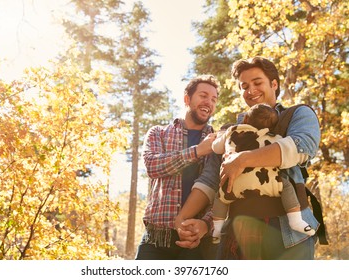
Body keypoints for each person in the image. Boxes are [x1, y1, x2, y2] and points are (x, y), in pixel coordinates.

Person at [175, 56, 321, 260]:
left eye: (257, 83)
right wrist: (182, 219)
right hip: (238, 234)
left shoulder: (297, 115)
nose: (250, 90)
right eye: (244, 86)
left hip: (289, 235)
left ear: (274, 84)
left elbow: (301, 147)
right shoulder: (230, 131)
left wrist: (242, 160)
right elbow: (210, 180)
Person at [135, 75, 220, 260]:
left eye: (214, 99)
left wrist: (205, 224)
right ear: (187, 98)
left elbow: (221, 191)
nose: (209, 102)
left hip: (198, 242)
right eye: (203, 95)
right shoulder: (158, 133)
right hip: (156, 240)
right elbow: (152, 165)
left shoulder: (220, 142)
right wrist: (197, 151)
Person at [211, 103, 316, 243]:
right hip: (268, 183)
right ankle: (296, 220)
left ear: (245, 119)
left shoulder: (232, 131)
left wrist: (220, 138)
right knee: (287, 187)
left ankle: (217, 230)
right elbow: (293, 148)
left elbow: (216, 148)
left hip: (234, 184)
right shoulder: (274, 138)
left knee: (221, 197)